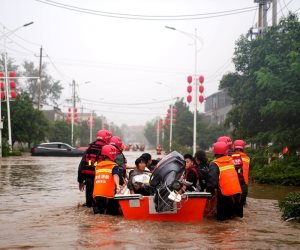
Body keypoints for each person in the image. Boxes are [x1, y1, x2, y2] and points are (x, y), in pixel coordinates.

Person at [206, 141, 243, 221]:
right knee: (236, 220)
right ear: (226, 151)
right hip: (238, 195)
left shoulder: (214, 164)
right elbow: (239, 174)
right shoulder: (232, 160)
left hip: (225, 197)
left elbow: (212, 183)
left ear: (214, 152)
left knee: (222, 223)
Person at [77, 129, 112, 207]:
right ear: (106, 138)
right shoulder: (106, 149)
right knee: (99, 201)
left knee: (89, 204)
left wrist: (80, 180)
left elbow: (82, 164)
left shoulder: (89, 147)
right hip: (100, 177)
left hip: (88, 177)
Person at [93, 144, 121, 215]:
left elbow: (93, 165)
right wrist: (118, 186)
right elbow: (115, 175)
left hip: (96, 194)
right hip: (108, 195)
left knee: (98, 215)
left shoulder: (97, 165)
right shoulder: (114, 166)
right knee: (112, 216)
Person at [233, 139, 250, 205]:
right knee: (242, 204)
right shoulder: (247, 158)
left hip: (234, 183)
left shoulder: (230, 157)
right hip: (244, 183)